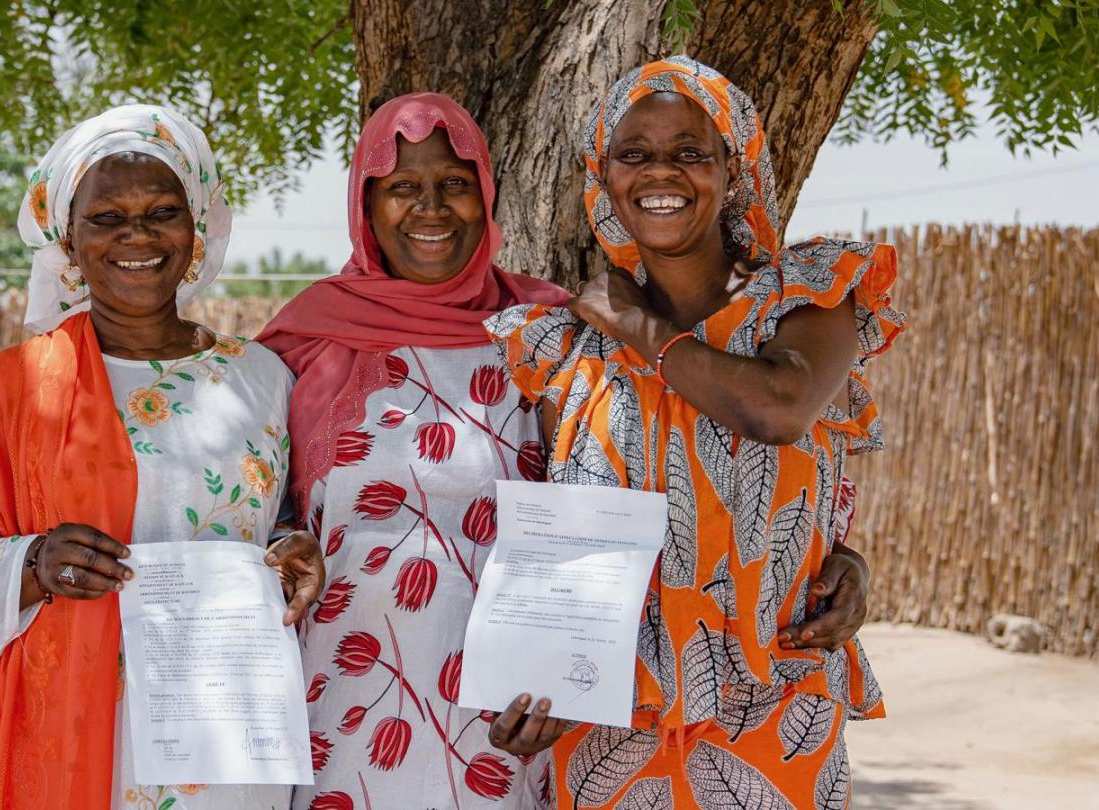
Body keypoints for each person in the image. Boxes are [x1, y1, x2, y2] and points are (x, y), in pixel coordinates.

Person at [259, 92, 876, 810]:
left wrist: (846, 557)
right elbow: (262, 514)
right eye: (402, 188)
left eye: (455, 185)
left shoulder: (547, 330)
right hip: (345, 698)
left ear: (486, 195)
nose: (430, 209)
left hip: (523, 716)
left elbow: (636, 497)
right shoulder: (303, 344)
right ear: (366, 206)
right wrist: (277, 545)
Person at [484, 57, 903, 808]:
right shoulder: (564, 349)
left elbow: (778, 411)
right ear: (603, 176)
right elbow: (546, 537)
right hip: (611, 727)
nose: (661, 172)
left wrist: (636, 322)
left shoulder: (804, 301)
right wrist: (529, 675)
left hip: (774, 713)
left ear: (733, 168)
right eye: (634, 153)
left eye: (689, 151)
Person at [0, 104, 323, 810]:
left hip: (223, 734)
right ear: (67, 235)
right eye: (107, 217)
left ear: (199, 225)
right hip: (69, 721)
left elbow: (283, 518)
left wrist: (290, 547)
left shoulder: (261, 378)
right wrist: (32, 564)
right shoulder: (15, 387)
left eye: (163, 211)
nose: (138, 235)